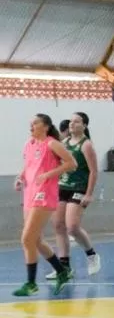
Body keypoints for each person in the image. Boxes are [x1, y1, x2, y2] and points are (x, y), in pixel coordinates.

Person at [13, 113, 76, 296]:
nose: (31, 126)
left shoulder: (52, 143)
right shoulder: (29, 144)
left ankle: (31, 283)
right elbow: (29, 165)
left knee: (26, 239)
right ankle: (62, 272)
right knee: (37, 240)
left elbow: (71, 164)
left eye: (35, 123)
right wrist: (20, 177)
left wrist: (49, 174)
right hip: (30, 193)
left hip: (44, 194)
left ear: (46, 126)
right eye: (30, 124)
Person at [48, 112, 101, 279]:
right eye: (71, 121)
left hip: (79, 188)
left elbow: (93, 171)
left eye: (76, 122)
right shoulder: (63, 143)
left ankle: (92, 255)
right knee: (58, 225)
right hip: (62, 187)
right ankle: (64, 267)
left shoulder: (86, 145)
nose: (72, 124)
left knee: (72, 226)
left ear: (84, 125)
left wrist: (89, 194)